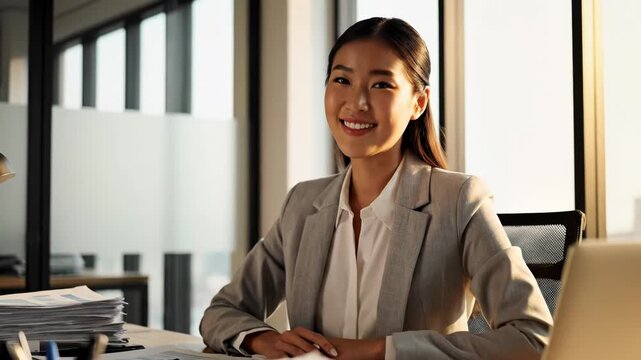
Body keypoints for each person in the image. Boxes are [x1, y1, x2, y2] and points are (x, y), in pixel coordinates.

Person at [200, 17, 552, 360]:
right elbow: (222, 311)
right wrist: (263, 340)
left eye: (381, 85)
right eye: (342, 80)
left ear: (419, 103)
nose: (357, 102)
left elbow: (533, 337)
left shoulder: (459, 201)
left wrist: (381, 351)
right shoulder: (303, 205)